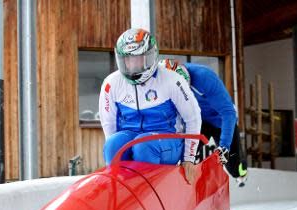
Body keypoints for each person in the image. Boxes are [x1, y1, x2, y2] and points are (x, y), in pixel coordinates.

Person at [98, 28, 202, 183]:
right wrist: (115, 153)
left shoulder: (172, 80)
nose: (132, 65)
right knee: (113, 145)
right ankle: (117, 188)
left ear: (150, 56)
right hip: (132, 135)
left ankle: (147, 190)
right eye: (127, 60)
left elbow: (193, 118)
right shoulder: (111, 83)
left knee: (143, 146)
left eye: (138, 59)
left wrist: (189, 158)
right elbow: (108, 123)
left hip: (167, 137)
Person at [160, 59, 248, 186]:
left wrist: (224, 146)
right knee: (185, 153)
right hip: (199, 121)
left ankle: (242, 173)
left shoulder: (205, 78)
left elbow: (228, 113)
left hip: (221, 121)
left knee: (232, 165)